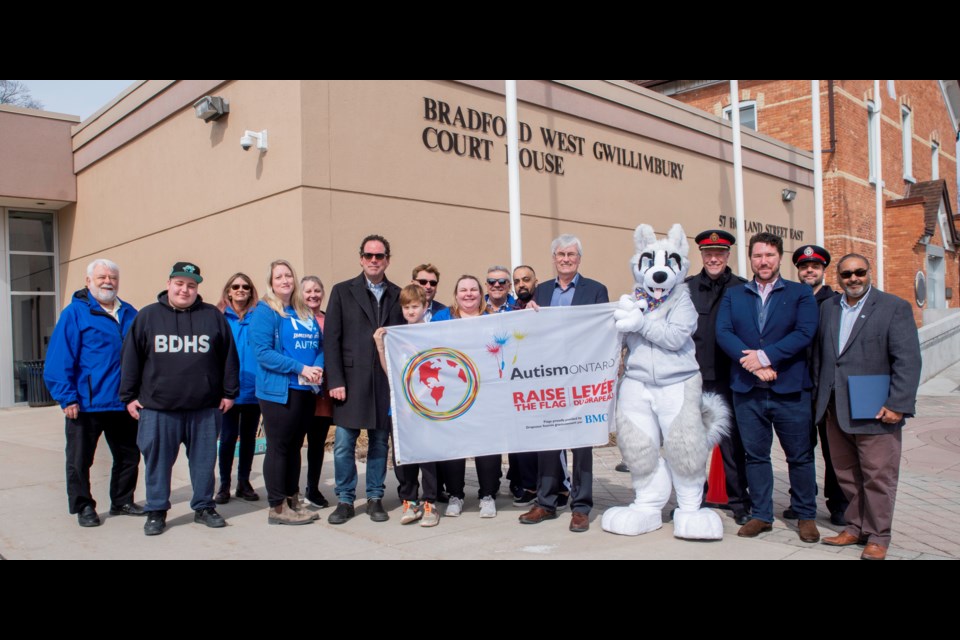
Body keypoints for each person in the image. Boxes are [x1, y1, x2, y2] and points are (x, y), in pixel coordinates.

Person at [813, 254, 921, 560]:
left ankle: (879, 536)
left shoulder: (893, 307)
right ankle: (855, 526)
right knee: (847, 474)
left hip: (876, 408)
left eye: (859, 272)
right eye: (846, 274)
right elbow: (823, 357)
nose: (853, 279)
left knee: (878, 475)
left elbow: (908, 360)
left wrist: (898, 404)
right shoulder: (828, 308)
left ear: (869, 272)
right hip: (836, 408)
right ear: (839, 278)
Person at [120, 262, 239, 536]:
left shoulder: (212, 316)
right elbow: (131, 360)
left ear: (198, 288)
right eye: (180, 283)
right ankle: (156, 511)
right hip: (159, 409)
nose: (185, 289)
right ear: (169, 283)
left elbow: (229, 358)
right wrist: (128, 396)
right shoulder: (147, 317)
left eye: (191, 285)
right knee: (157, 465)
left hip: (205, 408)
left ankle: (204, 507)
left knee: (203, 463)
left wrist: (229, 393)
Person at [716, 232, 820, 543]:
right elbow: (724, 332)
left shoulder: (800, 294)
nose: (764, 261)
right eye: (758, 255)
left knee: (799, 456)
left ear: (779, 258)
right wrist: (752, 364)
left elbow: (805, 333)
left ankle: (805, 515)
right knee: (755, 456)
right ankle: (762, 514)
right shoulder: (735, 295)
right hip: (748, 390)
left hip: (790, 389)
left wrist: (764, 357)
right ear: (750, 259)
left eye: (770, 255)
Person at [520, 234, 609, 533]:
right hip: (548, 378)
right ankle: (545, 503)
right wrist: (526, 316)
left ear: (579, 259)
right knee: (548, 440)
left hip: (582, 377)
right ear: (554, 259)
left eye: (571, 254)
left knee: (581, 443)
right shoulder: (541, 291)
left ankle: (581, 507)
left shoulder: (596, 290)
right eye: (561, 254)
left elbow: (601, 333)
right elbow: (528, 333)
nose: (566, 259)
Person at [44, 258, 143, 527]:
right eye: (101, 277)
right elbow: (59, 358)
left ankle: (122, 501)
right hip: (85, 403)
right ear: (88, 281)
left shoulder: (130, 313)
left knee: (128, 456)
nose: (108, 281)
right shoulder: (75, 313)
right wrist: (67, 397)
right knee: (79, 460)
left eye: (112, 277)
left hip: (123, 402)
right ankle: (83, 506)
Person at [324, 235, 404, 524]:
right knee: (345, 443)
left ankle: (374, 497)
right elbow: (331, 339)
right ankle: (345, 499)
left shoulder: (398, 293)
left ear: (387, 260)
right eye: (369, 255)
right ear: (361, 258)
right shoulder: (342, 291)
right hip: (350, 381)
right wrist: (335, 380)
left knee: (380, 443)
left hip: (383, 382)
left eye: (379, 256)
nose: (374, 260)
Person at [249, 260, 324, 526]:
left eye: (288, 275)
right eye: (278, 276)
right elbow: (263, 353)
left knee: (294, 447)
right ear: (271, 282)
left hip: (305, 390)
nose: (284, 280)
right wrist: (300, 367)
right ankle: (277, 507)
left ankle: (293, 499)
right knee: (279, 447)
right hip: (278, 392)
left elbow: (320, 345)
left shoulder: (302, 310)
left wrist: (318, 366)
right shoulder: (266, 311)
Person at [685, 229, 751, 525]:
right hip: (693, 377)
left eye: (719, 254)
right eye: (708, 253)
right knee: (691, 443)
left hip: (730, 377)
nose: (713, 258)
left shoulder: (743, 289)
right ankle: (691, 500)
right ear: (701, 255)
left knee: (731, 444)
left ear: (727, 255)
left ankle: (739, 502)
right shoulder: (685, 288)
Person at [432, 275, 504, 518]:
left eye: (473, 289)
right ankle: (455, 495)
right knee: (454, 445)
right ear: (455, 294)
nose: (469, 294)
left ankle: (487, 495)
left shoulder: (491, 320)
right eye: (463, 290)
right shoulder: (442, 317)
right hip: (454, 393)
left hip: (485, 393)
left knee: (487, 444)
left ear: (480, 293)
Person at [785, 244, 847, 526]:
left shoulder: (835, 303)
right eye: (804, 266)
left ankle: (839, 504)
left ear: (823, 270)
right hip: (797, 387)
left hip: (826, 389)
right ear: (798, 270)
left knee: (833, 450)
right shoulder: (790, 299)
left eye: (815, 266)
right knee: (799, 449)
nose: (809, 270)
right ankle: (802, 501)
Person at [374, 284, 441, 527]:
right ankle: (409, 500)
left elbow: (436, 370)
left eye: (415, 306)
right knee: (404, 456)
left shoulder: (432, 333)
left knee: (427, 454)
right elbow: (390, 371)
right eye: (406, 307)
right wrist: (381, 347)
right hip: (400, 405)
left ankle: (430, 503)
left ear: (425, 306)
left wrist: (419, 396)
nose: (411, 311)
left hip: (424, 404)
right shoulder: (396, 334)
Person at [214, 273, 262, 504]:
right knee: (228, 437)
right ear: (229, 291)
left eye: (245, 286)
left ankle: (244, 482)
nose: (241, 289)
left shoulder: (259, 315)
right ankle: (224, 483)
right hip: (228, 390)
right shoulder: (219, 316)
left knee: (249, 438)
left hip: (253, 388)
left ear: (251, 291)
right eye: (236, 286)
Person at [507, 265, 541, 505]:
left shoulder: (541, 306)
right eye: (517, 281)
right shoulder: (510, 310)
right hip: (517, 383)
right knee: (523, 438)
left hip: (543, 380)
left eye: (526, 279)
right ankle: (529, 486)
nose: (522, 284)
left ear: (535, 281)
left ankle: (557, 487)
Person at [300, 275, 333, 509]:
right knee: (292, 444)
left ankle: (312, 487)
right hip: (298, 391)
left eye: (317, 290)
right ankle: (289, 490)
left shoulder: (329, 320)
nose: (313, 295)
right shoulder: (293, 320)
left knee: (316, 443)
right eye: (308, 291)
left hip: (323, 394)